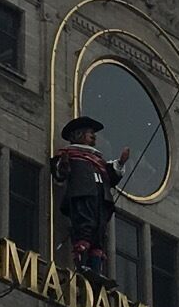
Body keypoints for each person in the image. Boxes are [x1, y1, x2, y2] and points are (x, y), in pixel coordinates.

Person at [53, 116, 128, 275]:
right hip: (83, 194)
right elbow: (60, 173)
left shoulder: (98, 160)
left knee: (99, 233)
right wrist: (64, 163)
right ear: (79, 135)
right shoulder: (70, 153)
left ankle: (96, 268)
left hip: (101, 198)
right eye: (90, 133)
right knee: (85, 227)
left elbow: (112, 177)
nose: (94, 136)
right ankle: (81, 263)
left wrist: (120, 162)